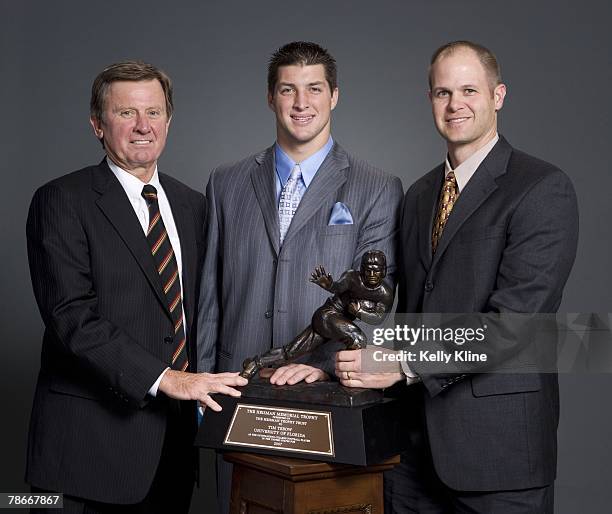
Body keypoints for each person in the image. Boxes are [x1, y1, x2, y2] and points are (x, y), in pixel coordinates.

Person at [335, 41, 579, 513]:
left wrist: (401, 365)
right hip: (411, 451)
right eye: (442, 92)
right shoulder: (420, 194)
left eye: (469, 90)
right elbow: (403, 312)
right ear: (430, 100)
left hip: (499, 454)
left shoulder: (542, 188)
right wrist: (335, 356)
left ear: (498, 95)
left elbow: (513, 325)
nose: (455, 104)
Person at [25, 61, 247, 514]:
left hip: (173, 449)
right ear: (97, 125)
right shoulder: (61, 201)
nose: (143, 126)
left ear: (168, 120)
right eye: (126, 113)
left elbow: (203, 312)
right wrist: (168, 379)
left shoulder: (194, 207)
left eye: (154, 112)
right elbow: (72, 318)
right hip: (86, 454)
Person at [198, 41, 403, 514]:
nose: (301, 103)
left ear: (334, 96)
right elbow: (209, 296)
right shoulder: (225, 182)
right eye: (288, 89)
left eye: (314, 89)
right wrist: (204, 387)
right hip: (236, 396)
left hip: (325, 400)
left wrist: (330, 364)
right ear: (270, 98)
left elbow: (374, 305)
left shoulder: (377, 187)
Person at [241, 250, 394, 378]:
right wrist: (329, 285)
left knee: (291, 351)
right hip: (327, 315)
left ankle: (255, 363)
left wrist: (359, 312)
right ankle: (350, 381)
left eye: (377, 270)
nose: (372, 274)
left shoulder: (385, 293)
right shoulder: (352, 277)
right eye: (368, 270)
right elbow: (338, 287)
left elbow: (378, 318)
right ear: (361, 269)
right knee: (358, 339)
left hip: (335, 325)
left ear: (384, 271)